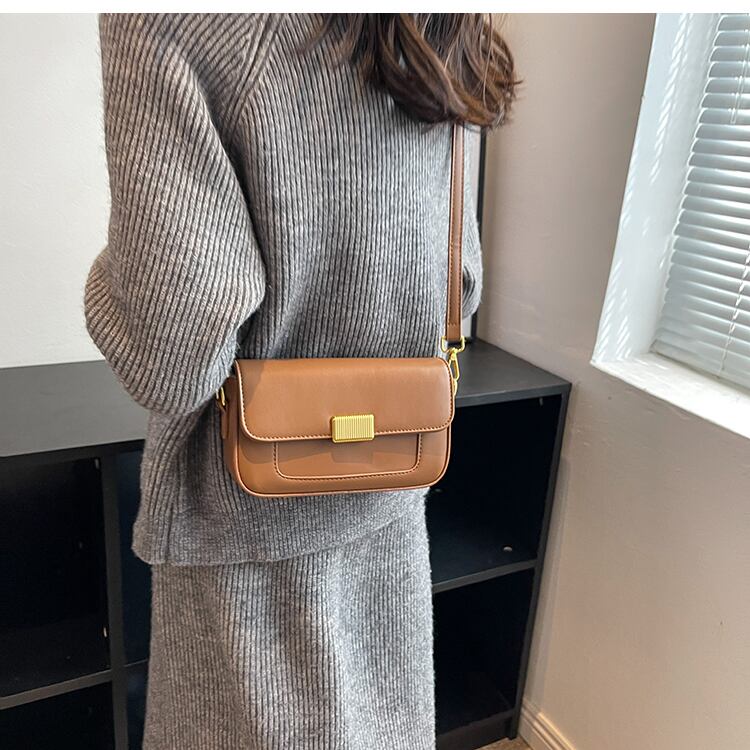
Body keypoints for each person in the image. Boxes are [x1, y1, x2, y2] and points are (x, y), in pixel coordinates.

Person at [85, 13, 516, 749]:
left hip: (246, 533)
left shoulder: (171, 22)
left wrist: (109, 281)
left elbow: (171, 354)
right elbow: (460, 281)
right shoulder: (435, 29)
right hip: (392, 489)